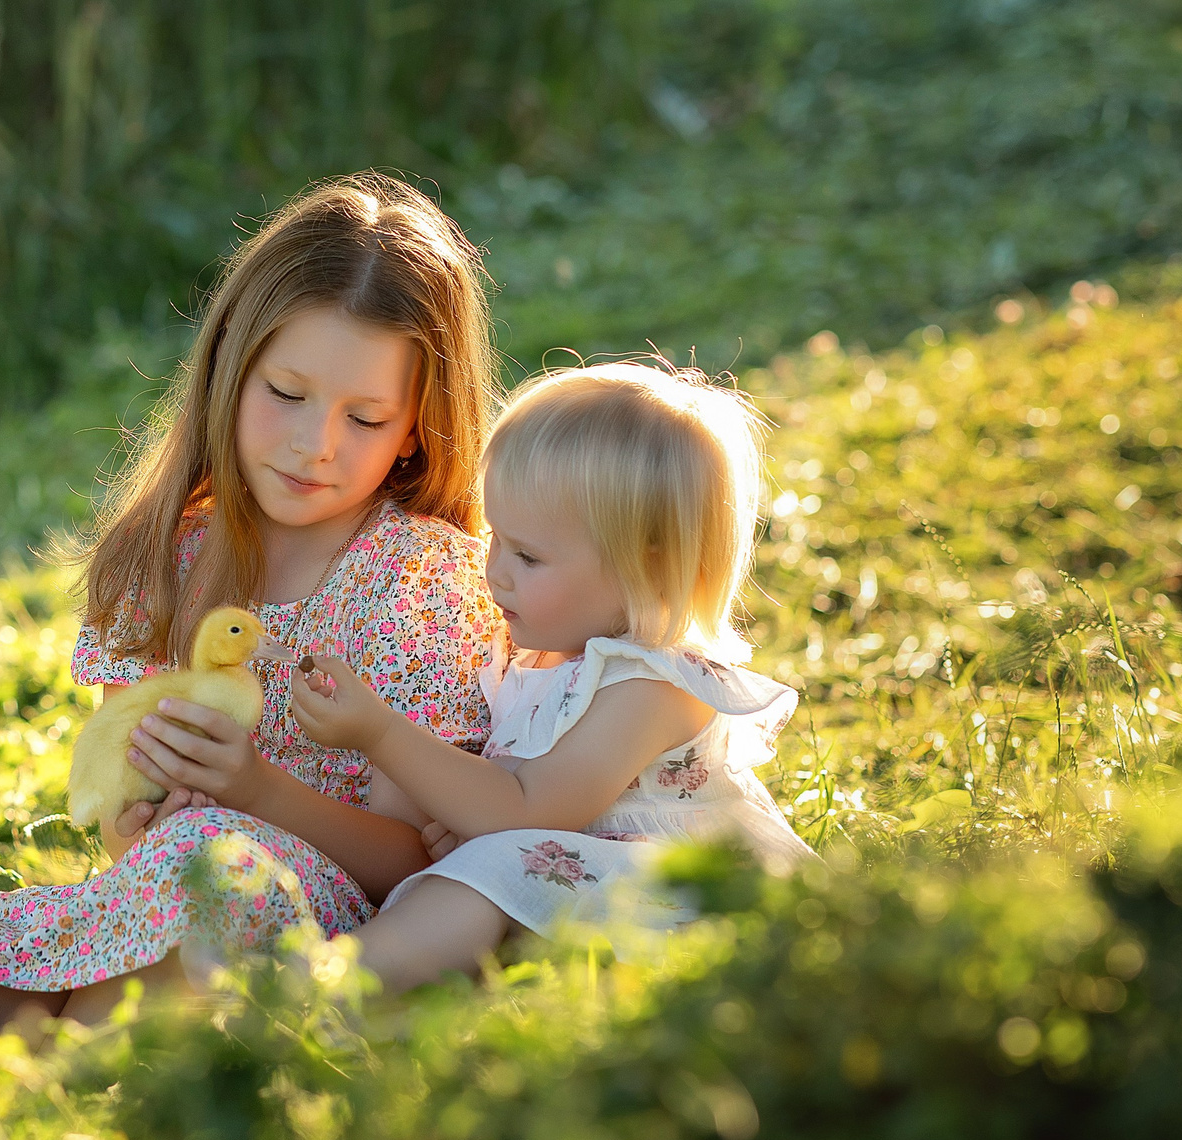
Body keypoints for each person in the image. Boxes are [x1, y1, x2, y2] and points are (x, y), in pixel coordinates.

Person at [0, 173, 501, 1106]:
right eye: (286, 392)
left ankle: (65, 1080)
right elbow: (125, 823)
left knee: (215, 901)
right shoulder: (167, 556)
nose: (317, 443)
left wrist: (256, 791)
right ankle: (89, 1053)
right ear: (231, 368)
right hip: (151, 904)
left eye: (364, 418)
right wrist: (138, 815)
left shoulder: (419, 582)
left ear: (414, 431)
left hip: (304, 919)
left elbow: (410, 864)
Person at [288, 361, 817, 994]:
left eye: (529, 556)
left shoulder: (654, 684)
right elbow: (515, 800)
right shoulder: (539, 663)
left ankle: (320, 991)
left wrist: (380, 734)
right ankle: (344, 989)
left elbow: (527, 809)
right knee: (473, 872)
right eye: (497, 540)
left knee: (482, 875)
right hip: (576, 896)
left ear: (646, 564)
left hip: (678, 900)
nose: (496, 573)